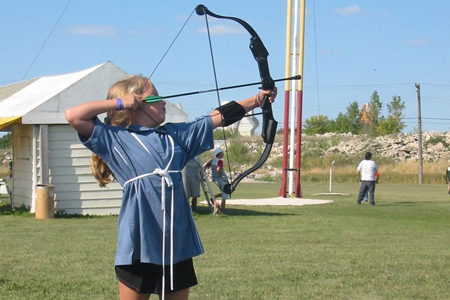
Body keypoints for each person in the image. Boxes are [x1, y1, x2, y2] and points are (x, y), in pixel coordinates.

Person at [64, 75, 277, 300]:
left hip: (176, 244)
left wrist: (257, 99)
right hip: (139, 244)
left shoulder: (175, 135)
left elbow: (218, 117)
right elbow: (73, 115)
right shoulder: (116, 139)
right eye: (155, 96)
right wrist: (118, 103)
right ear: (134, 102)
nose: (164, 101)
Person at [204, 148, 230, 214]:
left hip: (216, 179)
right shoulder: (220, 161)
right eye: (222, 153)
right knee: (225, 195)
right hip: (222, 179)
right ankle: (223, 212)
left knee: (224, 192)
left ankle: (214, 197)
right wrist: (221, 176)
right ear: (219, 154)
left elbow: (205, 167)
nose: (223, 154)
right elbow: (218, 169)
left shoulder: (212, 161)